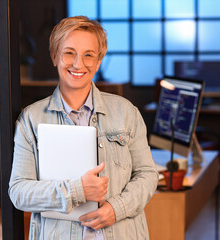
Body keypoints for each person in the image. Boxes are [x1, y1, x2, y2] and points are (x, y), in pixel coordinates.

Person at [9, 16, 159, 240]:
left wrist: (115, 209)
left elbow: (147, 175)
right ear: (54, 56)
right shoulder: (30, 120)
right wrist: (77, 190)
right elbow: (19, 192)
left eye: (88, 55)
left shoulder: (127, 112)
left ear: (98, 61)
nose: (78, 64)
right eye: (69, 53)